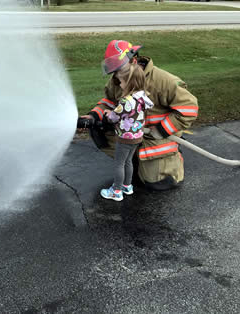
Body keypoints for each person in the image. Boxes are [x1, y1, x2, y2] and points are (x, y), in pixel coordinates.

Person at [79, 40, 199, 191]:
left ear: (134, 61)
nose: (116, 77)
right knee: (97, 128)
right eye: (114, 71)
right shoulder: (118, 79)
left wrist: (161, 130)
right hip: (132, 133)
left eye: (119, 70)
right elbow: (109, 101)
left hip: (156, 136)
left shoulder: (163, 81)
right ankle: (135, 162)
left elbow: (189, 108)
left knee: (158, 183)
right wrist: (93, 117)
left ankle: (172, 155)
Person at [100, 63, 153, 201]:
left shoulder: (126, 101)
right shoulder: (142, 97)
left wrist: (108, 113)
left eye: (122, 82)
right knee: (128, 161)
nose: (120, 85)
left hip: (125, 138)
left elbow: (114, 117)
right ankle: (127, 186)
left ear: (130, 83)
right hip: (137, 137)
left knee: (119, 163)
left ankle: (116, 191)